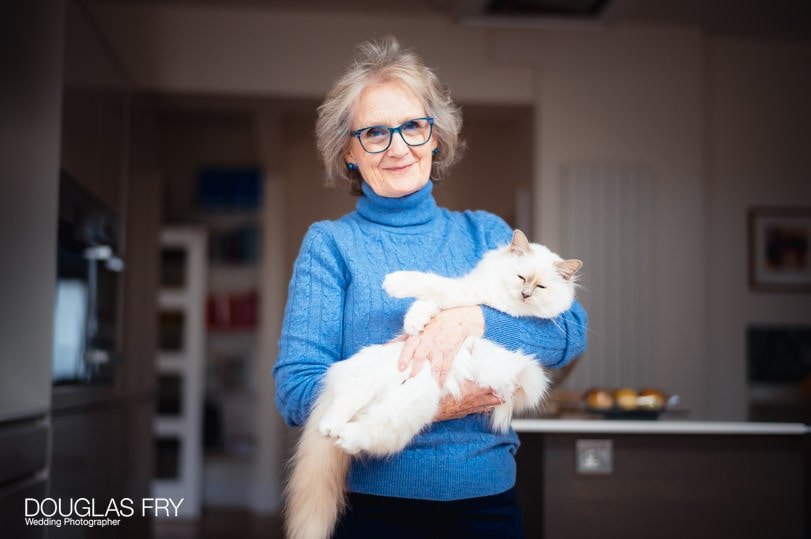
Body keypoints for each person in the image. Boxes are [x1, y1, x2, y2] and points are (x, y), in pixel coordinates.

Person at [273, 37, 587, 538]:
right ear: (349, 151)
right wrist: (437, 404)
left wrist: (471, 318)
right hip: (374, 510)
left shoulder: (484, 233)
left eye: (413, 127)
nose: (398, 147)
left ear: (435, 138)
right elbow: (295, 392)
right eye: (375, 132)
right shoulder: (331, 245)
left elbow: (569, 331)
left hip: (487, 506)